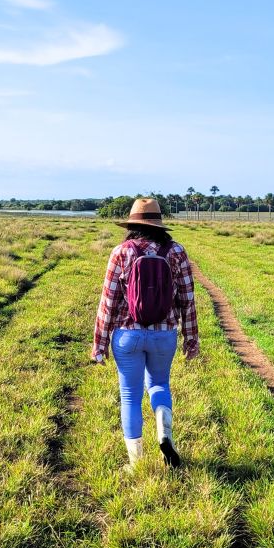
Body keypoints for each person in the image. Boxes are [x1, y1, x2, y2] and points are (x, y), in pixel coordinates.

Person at [92, 198, 199, 470]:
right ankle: (164, 429)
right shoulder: (176, 251)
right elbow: (187, 299)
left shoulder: (121, 252)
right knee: (160, 384)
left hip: (127, 335)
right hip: (164, 335)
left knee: (129, 394)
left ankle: (136, 463)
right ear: (159, 224)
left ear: (132, 224)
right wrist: (190, 338)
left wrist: (100, 344)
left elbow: (108, 301)